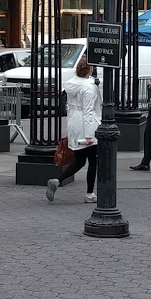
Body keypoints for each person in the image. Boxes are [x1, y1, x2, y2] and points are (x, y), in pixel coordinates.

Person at [49, 57, 103, 203]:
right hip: (87, 127)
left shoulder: (71, 85)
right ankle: (90, 194)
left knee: (79, 161)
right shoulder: (89, 87)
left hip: (74, 124)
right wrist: (90, 135)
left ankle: (58, 180)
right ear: (90, 70)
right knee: (93, 162)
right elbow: (89, 112)